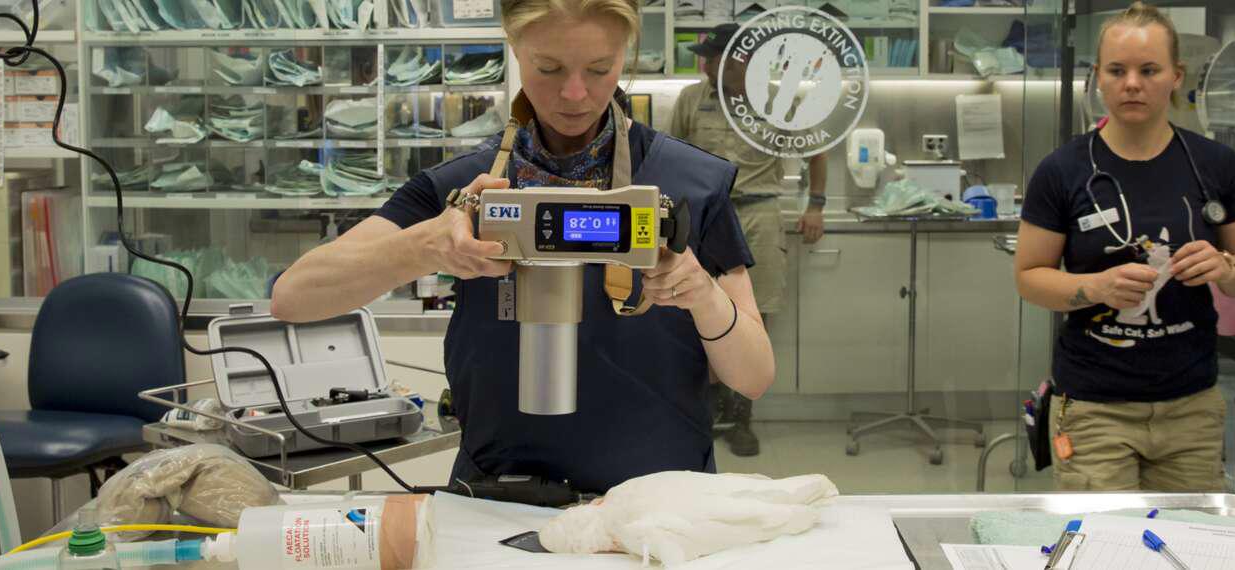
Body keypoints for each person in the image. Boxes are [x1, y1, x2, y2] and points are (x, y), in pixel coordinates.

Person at [269, 0, 774, 494]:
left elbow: (753, 377)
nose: (574, 94)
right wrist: (424, 247)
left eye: (599, 69)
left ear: (627, 51)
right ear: (514, 46)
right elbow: (293, 297)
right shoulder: (467, 188)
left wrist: (704, 296)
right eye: (549, 67)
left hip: (658, 501)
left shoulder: (690, 186)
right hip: (499, 500)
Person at [1012, 1, 1235, 492]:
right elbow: (1029, 276)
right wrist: (1097, 286)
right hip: (1094, 407)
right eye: (1117, 70)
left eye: (1149, 70)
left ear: (1176, 76)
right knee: (1105, 548)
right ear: (1098, 78)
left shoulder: (1216, 165)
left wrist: (1224, 266)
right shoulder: (1062, 171)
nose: (1132, 83)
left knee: (1192, 546)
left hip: (1191, 406)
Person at [667, 23, 829, 457]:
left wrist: (816, 204)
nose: (704, 65)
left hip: (759, 213)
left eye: (713, 57)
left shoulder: (781, 100)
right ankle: (707, 410)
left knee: (756, 315)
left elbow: (817, 150)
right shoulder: (691, 98)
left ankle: (741, 418)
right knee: (698, 311)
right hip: (704, 219)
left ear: (742, 60)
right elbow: (671, 157)